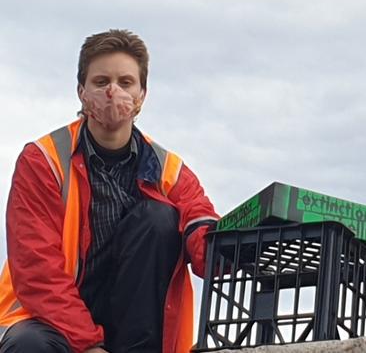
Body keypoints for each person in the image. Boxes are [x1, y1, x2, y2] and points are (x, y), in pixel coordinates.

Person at [0, 30, 219, 352]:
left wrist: (234, 250)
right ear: (81, 91)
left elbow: (201, 225)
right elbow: (36, 267)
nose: (113, 92)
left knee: (160, 217)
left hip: (132, 323)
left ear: (142, 95)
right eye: (101, 82)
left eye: (126, 83)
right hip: (49, 317)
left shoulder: (169, 170)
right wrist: (89, 344)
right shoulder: (43, 160)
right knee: (30, 345)